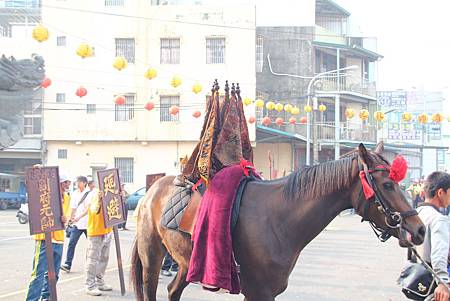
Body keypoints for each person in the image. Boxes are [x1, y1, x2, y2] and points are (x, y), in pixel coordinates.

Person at [25, 172, 71, 301]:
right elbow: (34, 187)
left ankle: (46, 297)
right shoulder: (47, 194)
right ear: (60, 183)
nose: (68, 185)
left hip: (59, 239)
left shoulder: (67, 197)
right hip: (45, 239)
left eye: (68, 182)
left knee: (53, 275)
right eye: (66, 182)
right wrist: (37, 171)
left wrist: (64, 219)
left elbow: (65, 217)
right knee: (38, 274)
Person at [416, 171, 450, 301]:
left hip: (417, 278)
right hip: (434, 283)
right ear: (441, 193)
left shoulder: (417, 214)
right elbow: (438, 254)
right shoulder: (439, 219)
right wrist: (443, 282)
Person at [73, 190, 113, 296]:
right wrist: (99, 199)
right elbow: (94, 209)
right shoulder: (95, 194)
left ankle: (99, 281)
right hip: (96, 232)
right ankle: (89, 285)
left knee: (104, 258)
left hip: (108, 230)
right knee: (92, 260)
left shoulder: (112, 193)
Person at [61, 176, 92, 273]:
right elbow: (73, 208)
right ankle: (68, 264)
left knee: (91, 246)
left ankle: (91, 266)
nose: (76, 184)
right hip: (77, 225)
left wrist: (79, 217)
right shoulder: (74, 194)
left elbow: (88, 209)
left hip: (88, 223)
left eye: (78, 182)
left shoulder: (89, 194)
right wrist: (70, 219)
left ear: (84, 183)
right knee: (71, 243)